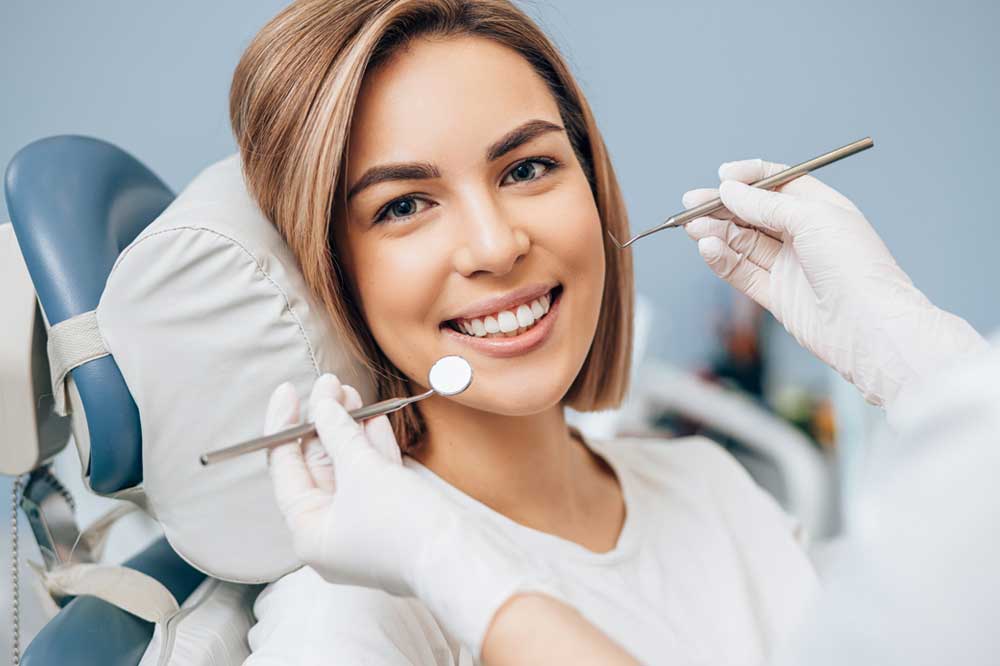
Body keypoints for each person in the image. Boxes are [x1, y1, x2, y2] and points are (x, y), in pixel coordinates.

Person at [240, 2, 987, 665]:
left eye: (528, 167)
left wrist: (924, 366)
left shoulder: (711, 488)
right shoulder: (348, 608)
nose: (497, 246)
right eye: (404, 206)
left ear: (594, 184)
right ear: (329, 269)